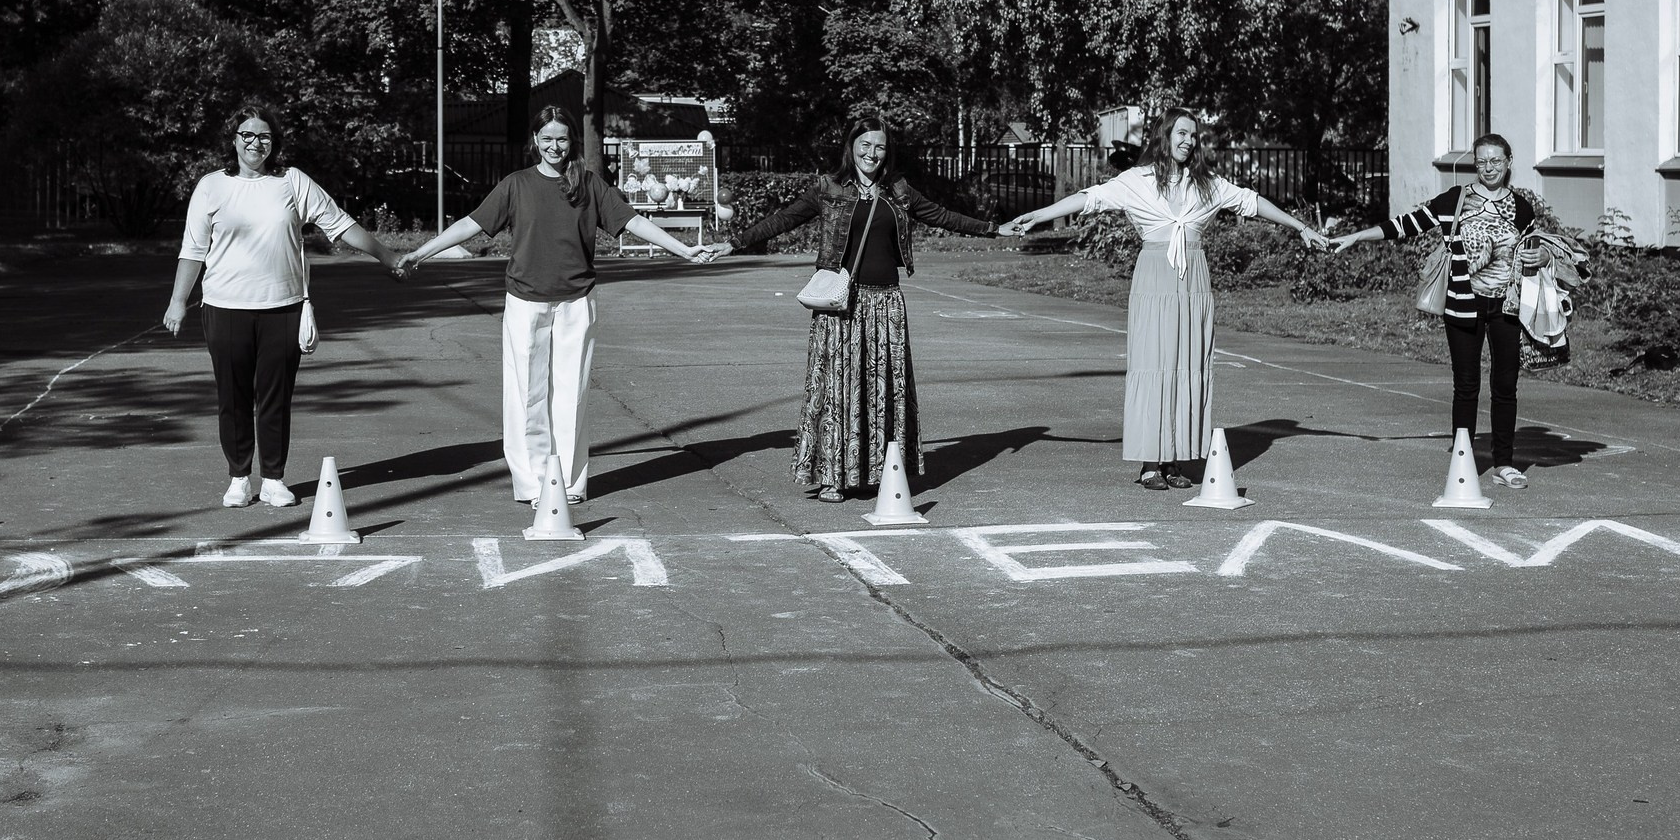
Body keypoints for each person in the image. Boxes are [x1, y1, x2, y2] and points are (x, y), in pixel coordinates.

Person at [395, 107, 717, 504]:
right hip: (525, 302)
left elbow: (632, 222)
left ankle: (567, 484)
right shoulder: (516, 185)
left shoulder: (589, 184)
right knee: (526, 395)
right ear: (535, 141)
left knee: (571, 396)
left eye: (561, 138)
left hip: (577, 302)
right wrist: (421, 253)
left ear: (571, 142)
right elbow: (471, 224)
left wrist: (684, 250)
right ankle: (533, 484)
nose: (554, 146)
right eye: (546, 138)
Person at [1001, 109, 1325, 489]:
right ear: (1165, 135)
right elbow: (1088, 199)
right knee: (1153, 367)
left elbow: (1251, 203)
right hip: (1154, 281)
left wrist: (1301, 227)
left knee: (1188, 367)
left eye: (1193, 135)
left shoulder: (1207, 184)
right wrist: (1038, 215)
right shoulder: (1137, 181)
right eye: (1182, 133)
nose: (1189, 141)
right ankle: (1149, 462)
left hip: (1194, 282)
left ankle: (1175, 460)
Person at [709, 121, 1003, 503]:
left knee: (882, 392)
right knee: (835, 391)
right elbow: (783, 220)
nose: (872, 154)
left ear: (887, 151)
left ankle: (881, 472)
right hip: (841, 306)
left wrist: (996, 229)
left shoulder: (898, 191)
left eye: (879, 147)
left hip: (886, 307)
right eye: (865, 145)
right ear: (852, 147)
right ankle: (832, 476)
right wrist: (733, 244)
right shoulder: (828, 189)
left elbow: (944, 216)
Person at [163, 111, 403, 509]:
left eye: (265, 137)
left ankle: (273, 478)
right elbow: (193, 249)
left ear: (274, 143)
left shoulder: (292, 181)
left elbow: (339, 225)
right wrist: (177, 301)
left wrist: (386, 255)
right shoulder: (211, 186)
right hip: (224, 307)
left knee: (275, 396)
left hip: (282, 307)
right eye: (247, 135)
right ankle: (239, 477)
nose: (255, 144)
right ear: (234, 139)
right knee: (233, 396)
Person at [1328, 133, 1542, 489]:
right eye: (1482, 161)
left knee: (1505, 386)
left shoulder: (1522, 208)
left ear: (1508, 162)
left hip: (1508, 307)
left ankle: (1505, 463)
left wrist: (1542, 256)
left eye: (1496, 161)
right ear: (1475, 163)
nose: (1488, 168)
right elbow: (1404, 225)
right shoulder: (1455, 200)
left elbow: (1536, 248)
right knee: (1466, 385)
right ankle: (1464, 461)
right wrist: (1356, 237)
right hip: (1462, 307)